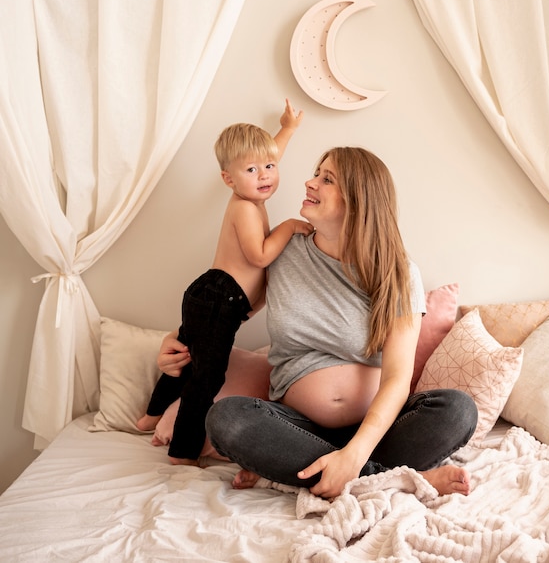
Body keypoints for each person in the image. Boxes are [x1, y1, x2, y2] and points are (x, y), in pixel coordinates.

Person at [157, 146, 478, 498]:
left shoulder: (397, 272)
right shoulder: (282, 251)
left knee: (458, 409)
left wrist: (354, 453)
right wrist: (177, 338)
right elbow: (228, 309)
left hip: (377, 432)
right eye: (316, 173)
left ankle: (327, 471)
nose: (309, 183)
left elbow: (398, 378)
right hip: (295, 428)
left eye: (327, 179)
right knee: (226, 419)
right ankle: (395, 478)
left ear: (359, 199)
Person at [137, 100, 313, 465]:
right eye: (253, 170)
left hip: (220, 300)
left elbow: (268, 153)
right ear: (228, 179)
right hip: (218, 298)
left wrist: (288, 129)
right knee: (206, 377)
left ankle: (151, 415)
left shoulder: (252, 187)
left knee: (185, 356)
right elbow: (260, 256)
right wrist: (289, 226)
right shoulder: (244, 208)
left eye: (270, 167)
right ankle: (181, 452)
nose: (265, 175)